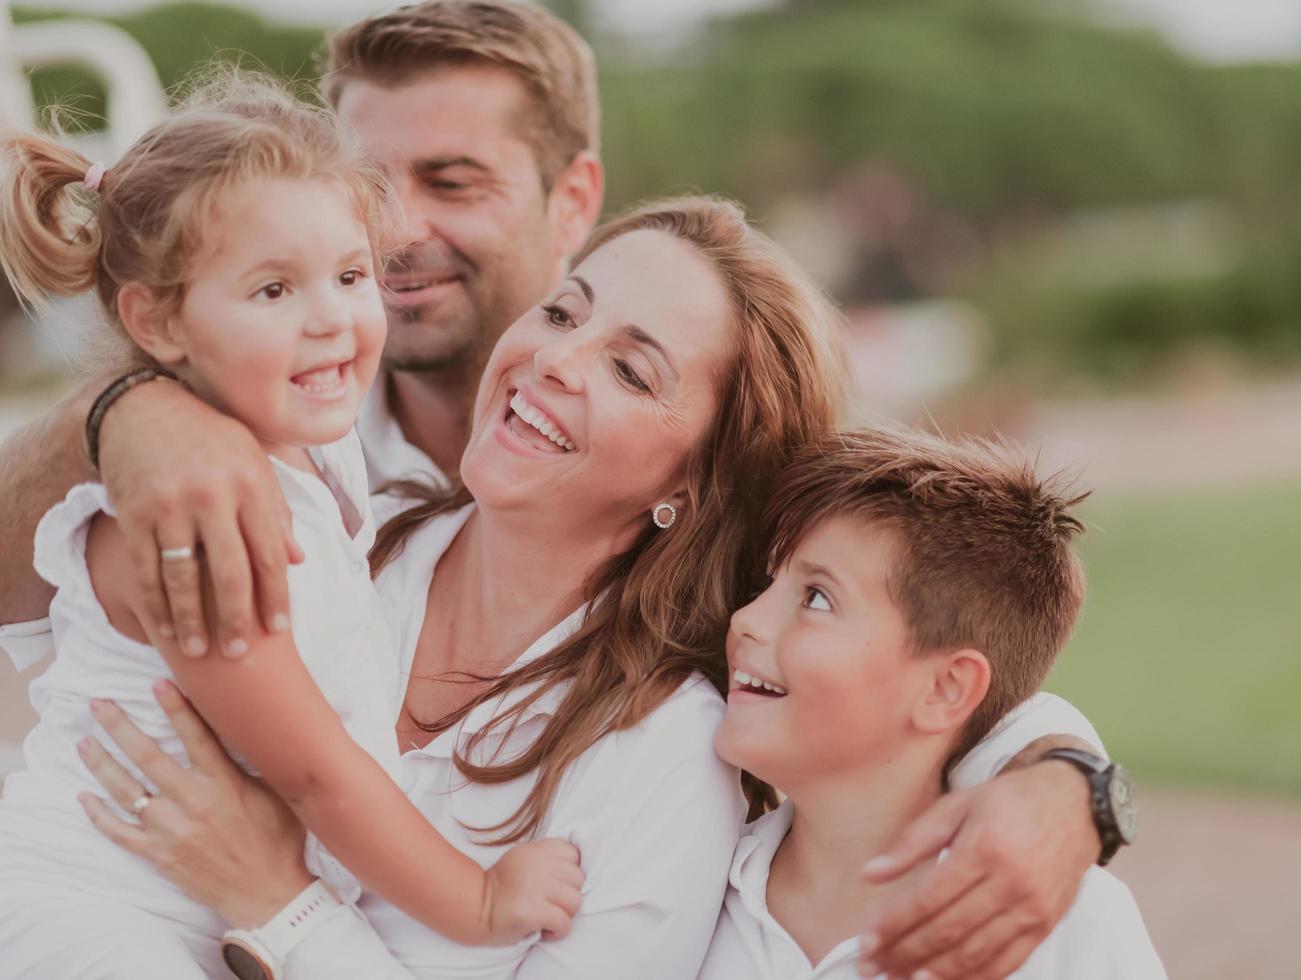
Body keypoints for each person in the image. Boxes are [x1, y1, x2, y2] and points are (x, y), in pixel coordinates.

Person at [0, 4, 1129, 977]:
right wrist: (133, 414)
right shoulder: (331, 480)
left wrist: (1064, 776)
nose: (391, 234)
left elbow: (920, 628)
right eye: (566, 313)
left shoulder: (669, 747)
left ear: (695, 476)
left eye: (632, 367)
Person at [0, 74, 585, 978]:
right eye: (273, 291)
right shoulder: (189, 529)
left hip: (198, 906)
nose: (331, 320)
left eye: (352, 276)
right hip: (92, 906)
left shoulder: (323, 448)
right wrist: (479, 901)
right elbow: (313, 768)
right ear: (158, 321)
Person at [701, 428, 1165, 979]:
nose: (746, 620)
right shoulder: (698, 883)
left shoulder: (1062, 926)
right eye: (768, 583)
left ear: (945, 688)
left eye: (817, 598)